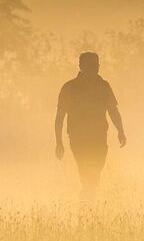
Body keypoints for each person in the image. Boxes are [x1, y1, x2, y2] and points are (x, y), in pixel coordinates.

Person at [54, 52, 126, 198]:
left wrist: (121, 131)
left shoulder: (103, 86)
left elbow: (113, 110)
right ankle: (88, 205)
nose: (95, 68)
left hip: (99, 137)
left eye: (97, 65)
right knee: (86, 172)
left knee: (95, 173)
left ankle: (89, 205)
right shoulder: (69, 88)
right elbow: (60, 116)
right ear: (81, 66)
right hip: (78, 138)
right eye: (91, 65)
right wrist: (59, 142)